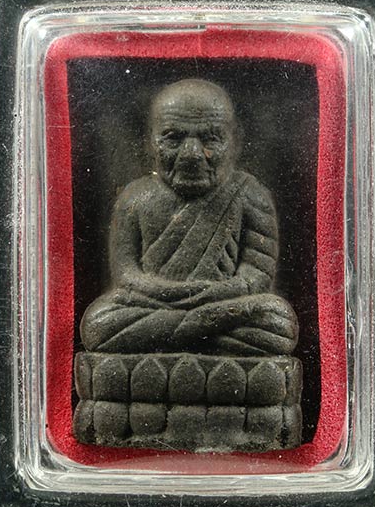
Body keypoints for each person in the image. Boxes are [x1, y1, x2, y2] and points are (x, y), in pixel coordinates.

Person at [80, 79, 298, 357]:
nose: (192, 154)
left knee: (278, 321)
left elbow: (256, 275)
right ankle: (202, 336)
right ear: (150, 141)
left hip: (219, 304)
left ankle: (179, 337)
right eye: (173, 137)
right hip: (161, 305)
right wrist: (179, 297)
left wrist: (210, 296)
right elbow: (126, 274)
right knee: (99, 323)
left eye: (210, 138)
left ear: (235, 141)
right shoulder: (135, 198)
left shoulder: (249, 195)